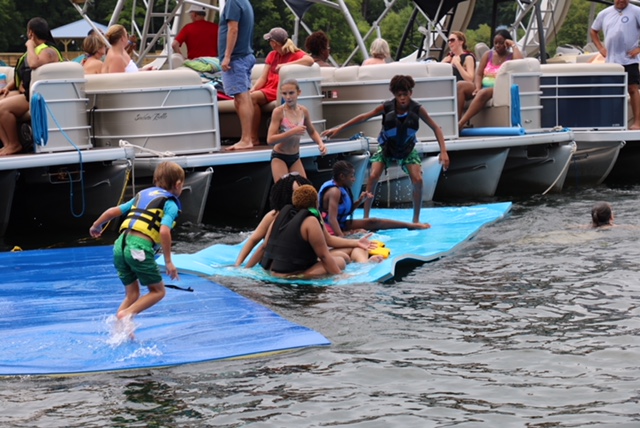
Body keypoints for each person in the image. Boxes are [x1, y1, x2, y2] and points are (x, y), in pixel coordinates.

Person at [322, 75, 450, 223]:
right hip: (386, 149)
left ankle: (416, 219)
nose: (402, 98)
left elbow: (436, 127)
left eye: (405, 94)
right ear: (394, 95)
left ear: (411, 93)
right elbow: (364, 117)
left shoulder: (418, 109)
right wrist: (339, 129)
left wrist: (444, 151)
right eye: (399, 95)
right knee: (373, 176)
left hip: (407, 149)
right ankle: (366, 217)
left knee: (418, 180)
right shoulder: (386, 107)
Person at [89, 161, 185, 322]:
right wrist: (169, 262)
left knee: (132, 294)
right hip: (138, 247)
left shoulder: (142, 195)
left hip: (120, 245)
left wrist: (96, 225)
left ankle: (120, 328)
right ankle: (126, 314)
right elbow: (164, 230)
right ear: (178, 184)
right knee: (158, 291)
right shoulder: (170, 204)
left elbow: (113, 211)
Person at [236, 173, 376, 268]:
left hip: (307, 257)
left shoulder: (311, 215)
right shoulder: (274, 216)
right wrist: (240, 265)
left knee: (353, 250)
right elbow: (257, 242)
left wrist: (357, 241)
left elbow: (328, 240)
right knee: (342, 259)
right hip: (292, 261)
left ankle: (364, 266)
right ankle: (361, 266)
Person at [228, 27, 313, 150]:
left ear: (274, 43)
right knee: (247, 98)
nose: (269, 44)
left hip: (279, 90)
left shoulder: (295, 54)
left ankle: (253, 138)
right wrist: (253, 89)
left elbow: (309, 60)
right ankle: (251, 137)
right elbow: (263, 78)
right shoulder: (272, 55)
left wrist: (285, 65)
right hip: (269, 88)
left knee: (251, 99)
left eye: (270, 41)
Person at [0, 17, 63, 156]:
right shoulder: (36, 51)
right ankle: (7, 144)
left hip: (41, 96)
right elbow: (24, 73)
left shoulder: (49, 51)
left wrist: (29, 45)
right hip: (30, 92)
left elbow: (34, 64)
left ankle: (14, 144)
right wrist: (8, 88)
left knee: (2, 108)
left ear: (31, 33)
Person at [319, 161, 431, 237]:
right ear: (342, 177)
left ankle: (410, 226)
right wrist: (342, 237)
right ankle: (411, 226)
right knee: (363, 232)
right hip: (330, 228)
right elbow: (332, 219)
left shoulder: (343, 188)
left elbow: (344, 213)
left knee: (373, 221)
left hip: (340, 223)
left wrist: (359, 201)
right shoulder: (334, 191)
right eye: (351, 176)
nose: (354, 179)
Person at [260, 184, 347, 277]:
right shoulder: (311, 220)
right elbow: (324, 256)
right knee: (340, 261)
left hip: (271, 271)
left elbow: (264, 246)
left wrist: (247, 268)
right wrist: (341, 276)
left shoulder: (281, 216)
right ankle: (301, 276)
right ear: (316, 202)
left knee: (342, 256)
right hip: (290, 274)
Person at [457, 29, 523, 129]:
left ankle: (461, 124)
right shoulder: (488, 54)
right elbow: (479, 74)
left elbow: (519, 63)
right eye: (495, 43)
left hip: (497, 88)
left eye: (501, 43)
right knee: (460, 85)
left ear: (507, 43)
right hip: (482, 86)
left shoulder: (511, 56)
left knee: (482, 93)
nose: (497, 46)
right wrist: (478, 87)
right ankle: (456, 121)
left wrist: (513, 45)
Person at [590, 0, 640, 130]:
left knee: (633, 89)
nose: (621, 1)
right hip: (612, 61)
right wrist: (600, 48)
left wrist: (638, 49)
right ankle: (613, 121)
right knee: (613, 91)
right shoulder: (604, 13)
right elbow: (593, 31)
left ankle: (637, 122)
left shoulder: (636, 11)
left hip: (630, 59)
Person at [266, 78, 327, 181]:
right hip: (280, 156)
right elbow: (270, 140)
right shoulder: (279, 112)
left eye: (291, 93)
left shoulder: (303, 111)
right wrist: (292, 132)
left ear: (299, 92)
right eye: (284, 94)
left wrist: (320, 143)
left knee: (304, 190)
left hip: (295, 156)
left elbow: (312, 131)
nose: (288, 97)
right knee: (284, 190)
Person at [219, 0, 256, 151]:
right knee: (244, 97)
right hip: (245, 56)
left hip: (236, 59)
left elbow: (233, 29)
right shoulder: (244, 2)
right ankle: (249, 138)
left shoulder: (233, 2)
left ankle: (246, 139)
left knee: (241, 99)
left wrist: (227, 56)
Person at [442, 31, 476, 118]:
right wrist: (442, 64)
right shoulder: (449, 58)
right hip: (452, 86)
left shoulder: (468, 57)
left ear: (461, 42)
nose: (450, 42)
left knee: (459, 85)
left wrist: (457, 65)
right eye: (448, 41)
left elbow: (470, 79)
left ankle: (457, 120)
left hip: (467, 87)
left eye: (452, 40)